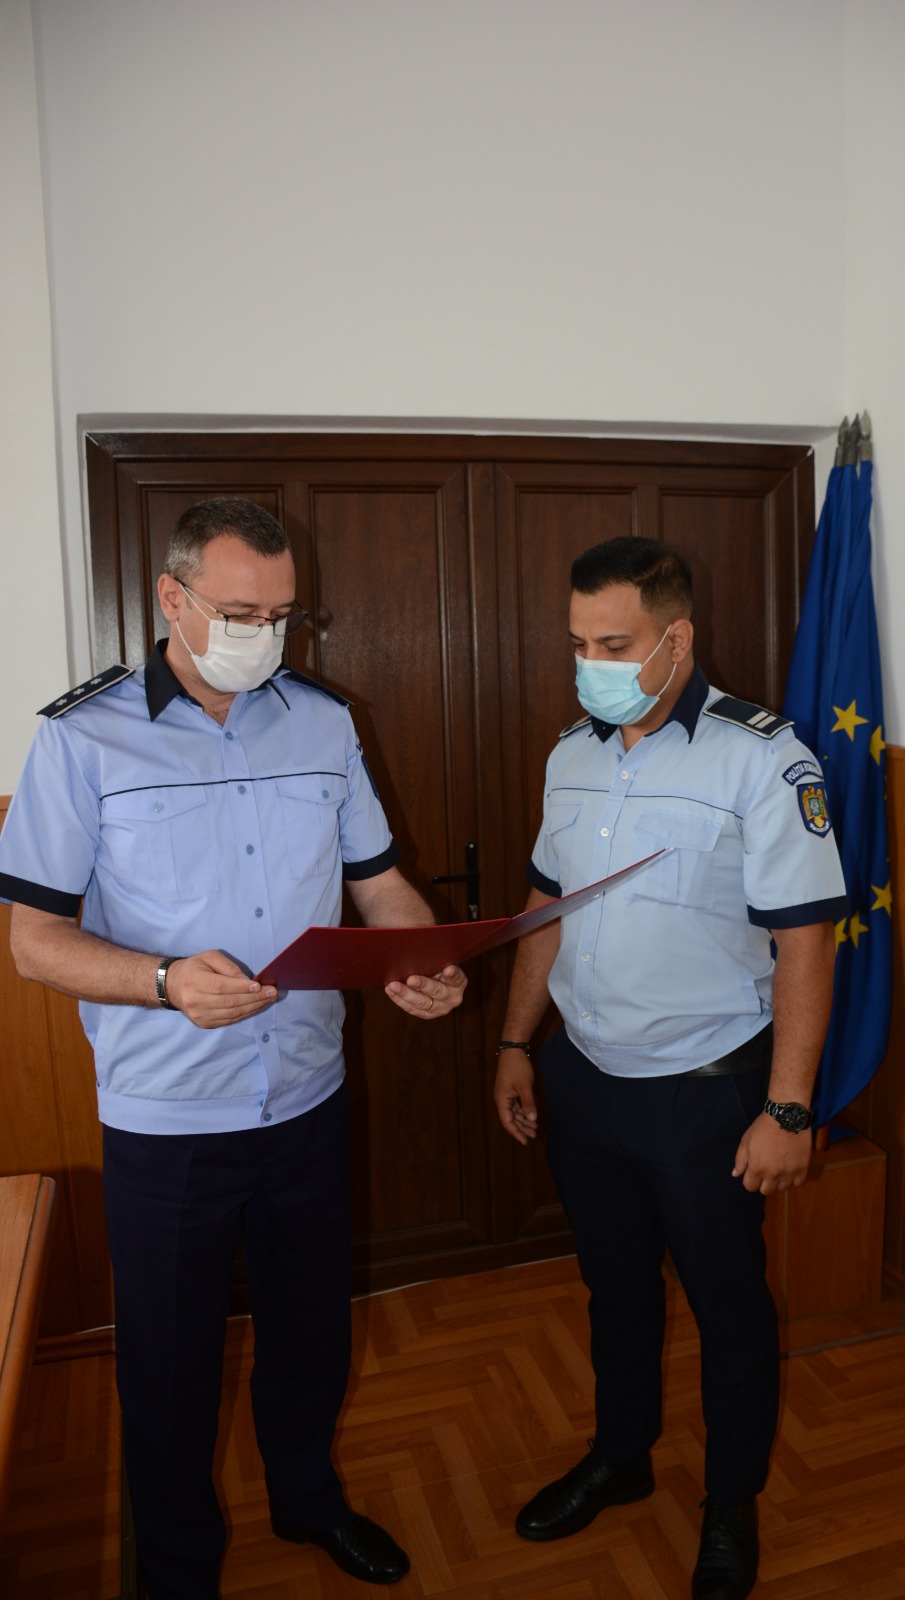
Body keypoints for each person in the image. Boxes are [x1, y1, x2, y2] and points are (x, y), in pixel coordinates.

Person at [0, 497, 466, 1600]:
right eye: (241, 612)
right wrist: (162, 982)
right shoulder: (83, 737)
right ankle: (177, 1571)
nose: (265, 634)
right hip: (168, 1116)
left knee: (310, 1334)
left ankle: (308, 1499)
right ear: (173, 597)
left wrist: (420, 956)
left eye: (283, 614)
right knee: (169, 1368)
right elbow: (33, 942)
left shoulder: (324, 723)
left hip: (306, 1095)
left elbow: (380, 884)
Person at [493, 537, 847, 1600]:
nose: (589, 664)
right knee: (613, 1291)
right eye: (577, 643)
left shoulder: (763, 758)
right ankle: (622, 1456)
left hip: (705, 1092)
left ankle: (730, 1500)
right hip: (587, 1080)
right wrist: (514, 1042)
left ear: (676, 639)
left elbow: (805, 943)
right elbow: (545, 910)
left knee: (729, 1308)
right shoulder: (570, 754)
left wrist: (788, 1107)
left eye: (614, 644)